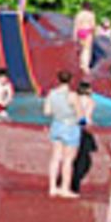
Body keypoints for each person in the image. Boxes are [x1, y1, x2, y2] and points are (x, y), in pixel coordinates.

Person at [45, 71, 80, 199]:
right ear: (71, 80)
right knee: (68, 160)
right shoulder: (72, 95)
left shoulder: (52, 93)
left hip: (56, 125)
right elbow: (80, 115)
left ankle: (52, 187)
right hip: (70, 127)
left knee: (55, 158)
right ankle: (65, 189)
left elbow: (47, 112)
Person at [73, 2, 99, 73]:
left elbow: (76, 25)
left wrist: (74, 36)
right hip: (87, 32)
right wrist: (95, 33)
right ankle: (85, 66)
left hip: (80, 32)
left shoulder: (79, 14)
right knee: (87, 50)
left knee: (82, 49)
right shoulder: (91, 14)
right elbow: (93, 25)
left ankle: (81, 64)